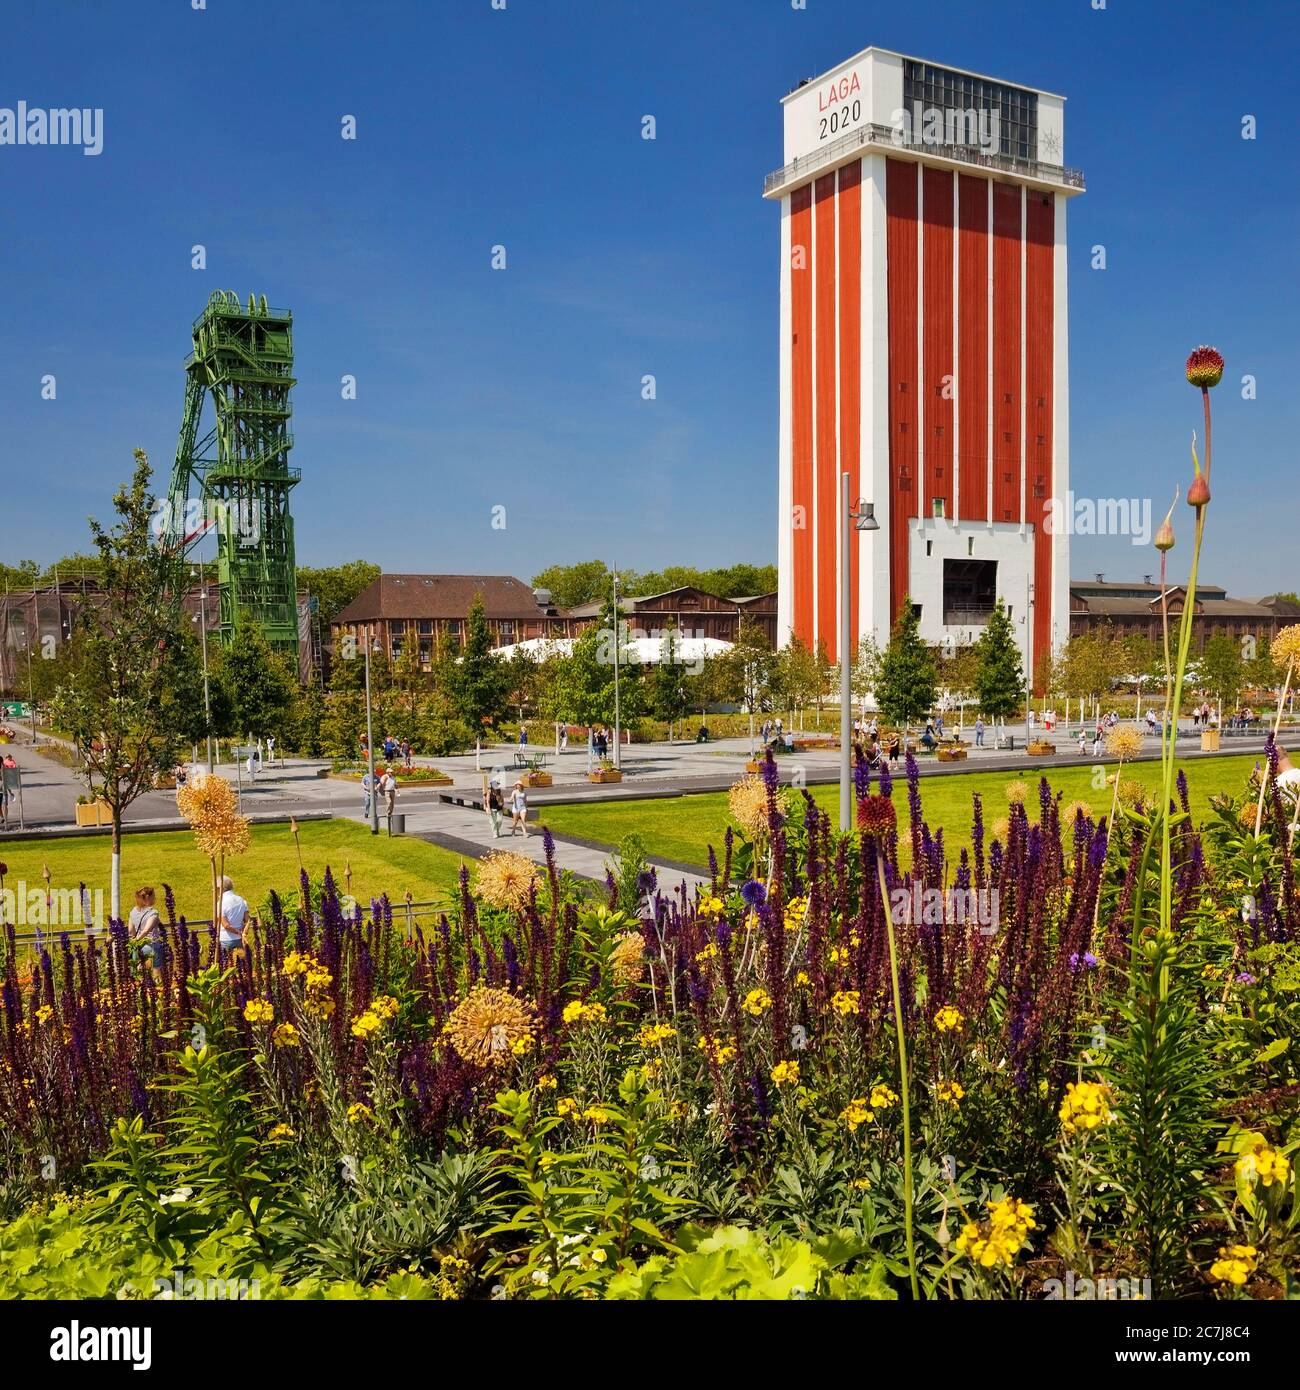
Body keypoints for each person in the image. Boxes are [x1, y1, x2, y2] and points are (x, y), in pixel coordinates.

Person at [128, 886, 163, 967]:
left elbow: (130, 931)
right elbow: (146, 930)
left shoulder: (133, 912)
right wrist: (138, 939)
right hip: (152, 946)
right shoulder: (153, 912)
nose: (155, 898)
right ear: (148, 897)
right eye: (153, 896)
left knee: (138, 975)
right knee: (157, 973)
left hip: (137, 949)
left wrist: (135, 942)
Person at [218, 876, 249, 954]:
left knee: (227, 964)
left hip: (226, 939)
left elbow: (226, 925)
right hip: (239, 939)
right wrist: (243, 933)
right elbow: (247, 920)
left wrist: (238, 932)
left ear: (220, 888)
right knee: (242, 963)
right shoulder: (241, 900)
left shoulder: (221, 903)